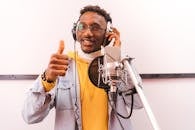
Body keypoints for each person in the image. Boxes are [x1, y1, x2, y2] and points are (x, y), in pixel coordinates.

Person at [22, 5, 143, 130]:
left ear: (108, 34)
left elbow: (138, 103)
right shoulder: (62, 65)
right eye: (82, 26)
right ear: (75, 31)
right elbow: (30, 116)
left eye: (95, 27)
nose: (88, 33)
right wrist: (46, 80)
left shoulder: (118, 64)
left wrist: (115, 57)